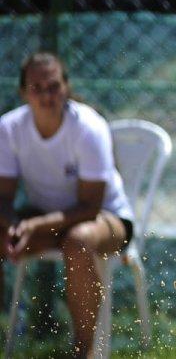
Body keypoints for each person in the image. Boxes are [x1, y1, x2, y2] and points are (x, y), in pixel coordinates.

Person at [0, 52, 136, 358]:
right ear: (23, 92)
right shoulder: (9, 128)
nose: (46, 96)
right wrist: (14, 226)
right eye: (36, 88)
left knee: (78, 241)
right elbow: (3, 198)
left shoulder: (88, 127)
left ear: (66, 87)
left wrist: (33, 225)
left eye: (53, 87)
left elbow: (90, 207)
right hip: (44, 219)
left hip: (105, 219)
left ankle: (83, 351)